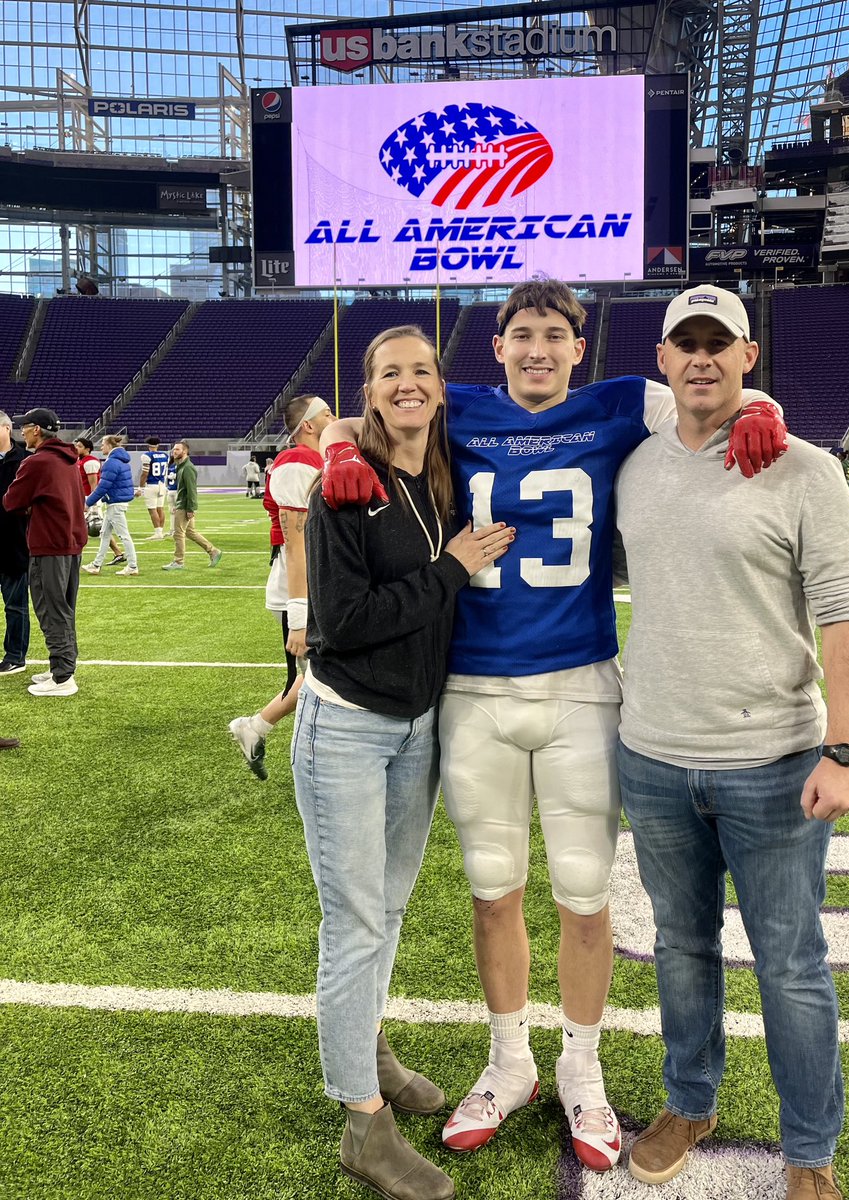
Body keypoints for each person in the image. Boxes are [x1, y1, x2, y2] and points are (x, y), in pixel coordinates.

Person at [319, 279, 788, 1172]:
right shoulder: (458, 407)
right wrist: (341, 443)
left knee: (582, 892)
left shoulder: (618, 403)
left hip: (579, 684)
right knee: (491, 889)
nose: (537, 349)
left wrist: (760, 405)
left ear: (581, 346)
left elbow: (713, 391)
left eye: (554, 335)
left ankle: (581, 1067)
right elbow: (378, 407)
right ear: (495, 347)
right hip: (472, 689)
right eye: (521, 334)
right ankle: (508, 1062)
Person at [614, 286, 849, 1200]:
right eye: (684, 344)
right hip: (649, 756)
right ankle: (690, 1101)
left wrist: (842, 749)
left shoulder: (801, 469)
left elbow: (845, 614)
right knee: (680, 949)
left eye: (716, 345)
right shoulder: (635, 466)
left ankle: (810, 1155)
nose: (700, 359)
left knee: (791, 967)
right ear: (662, 358)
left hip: (773, 764)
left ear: (746, 356)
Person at [292, 326, 514, 1200]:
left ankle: (367, 1045)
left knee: (384, 911)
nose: (408, 385)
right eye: (390, 374)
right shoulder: (341, 488)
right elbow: (338, 624)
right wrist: (452, 568)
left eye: (421, 370)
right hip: (346, 724)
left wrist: (755, 403)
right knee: (353, 923)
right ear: (370, 388)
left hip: (417, 726)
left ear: (439, 384)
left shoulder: (446, 464)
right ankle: (362, 1124)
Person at [229, 396, 335, 778]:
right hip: (302, 585)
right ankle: (279, 741)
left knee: (313, 678)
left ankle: (255, 728)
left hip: (316, 580)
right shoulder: (296, 462)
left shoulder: (313, 460)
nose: (333, 418)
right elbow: (297, 543)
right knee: (322, 680)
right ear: (307, 425)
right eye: (326, 413)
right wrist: (299, 615)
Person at [3, 408, 88, 697]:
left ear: (36, 429)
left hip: (49, 546)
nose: (21, 432)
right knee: (64, 609)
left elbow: (11, 501)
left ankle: (63, 678)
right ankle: (61, 667)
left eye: (24, 427)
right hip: (70, 545)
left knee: (52, 611)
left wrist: (29, 506)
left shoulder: (37, 462)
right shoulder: (67, 459)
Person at [0, 411, 31, 676]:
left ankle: (15, 655)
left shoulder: (26, 461)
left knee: (15, 605)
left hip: (15, 543)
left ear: (7, 428)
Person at [83, 435, 140, 577]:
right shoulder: (121, 461)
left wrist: (88, 503)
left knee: (124, 535)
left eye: (103, 444)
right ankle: (96, 564)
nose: (101, 447)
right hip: (115, 502)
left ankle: (132, 566)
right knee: (105, 534)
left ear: (109, 446)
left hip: (115, 504)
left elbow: (103, 486)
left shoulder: (111, 462)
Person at [163, 441, 222, 570]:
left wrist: (190, 509)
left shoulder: (188, 467)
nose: (174, 452)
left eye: (177, 449)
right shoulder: (180, 466)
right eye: (174, 449)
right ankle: (213, 551)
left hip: (185, 506)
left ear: (185, 451)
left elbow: (191, 490)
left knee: (178, 534)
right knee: (190, 532)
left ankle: (178, 561)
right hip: (182, 504)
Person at [75, 437, 125, 563]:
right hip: (83, 498)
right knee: (101, 530)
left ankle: (75, 555)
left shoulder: (90, 462)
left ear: (87, 449)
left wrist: (93, 504)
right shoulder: (80, 460)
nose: (76, 448)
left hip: (89, 499)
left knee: (86, 528)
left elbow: (94, 485)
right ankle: (118, 553)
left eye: (79, 446)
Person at [138, 436, 170, 539]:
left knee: (152, 510)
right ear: (158, 445)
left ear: (148, 445)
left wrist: (140, 487)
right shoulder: (165, 455)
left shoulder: (146, 456)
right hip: (162, 484)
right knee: (160, 508)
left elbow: (145, 473)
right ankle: (160, 531)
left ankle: (157, 532)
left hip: (151, 484)